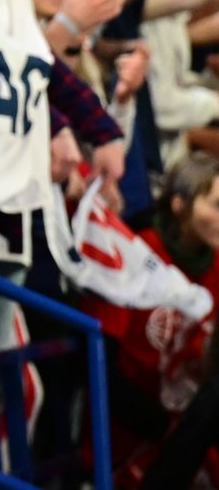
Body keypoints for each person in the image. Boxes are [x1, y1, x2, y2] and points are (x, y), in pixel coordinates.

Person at [82, 152, 219, 488]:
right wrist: (155, 423)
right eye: (216, 205)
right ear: (179, 205)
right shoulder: (136, 254)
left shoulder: (216, 264)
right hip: (130, 433)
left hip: (191, 434)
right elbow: (98, 361)